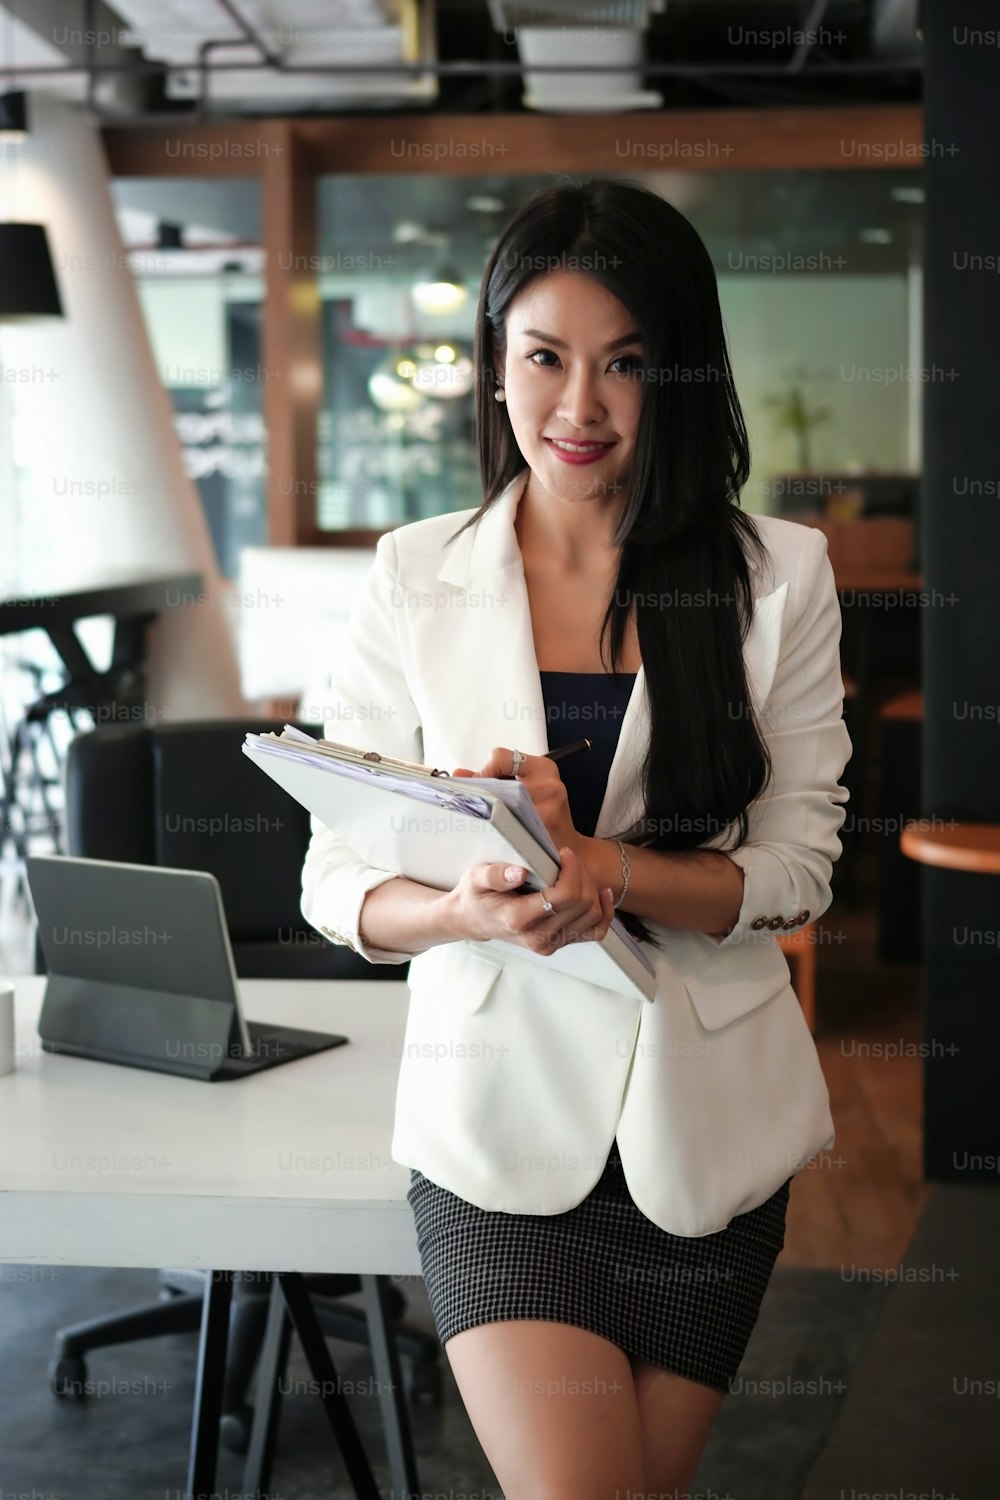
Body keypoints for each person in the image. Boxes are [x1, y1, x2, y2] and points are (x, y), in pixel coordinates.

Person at [302, 175, 852, 1498]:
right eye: (544, 357)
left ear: (684, 377)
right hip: (495, 1126)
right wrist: (467, 907)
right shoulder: (414, 573)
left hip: (703, 1134)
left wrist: (614, 873)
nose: (580, 407)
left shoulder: (777, 579)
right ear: (496, 368)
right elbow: (337, 880)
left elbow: (799, 869)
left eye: (625, 363)